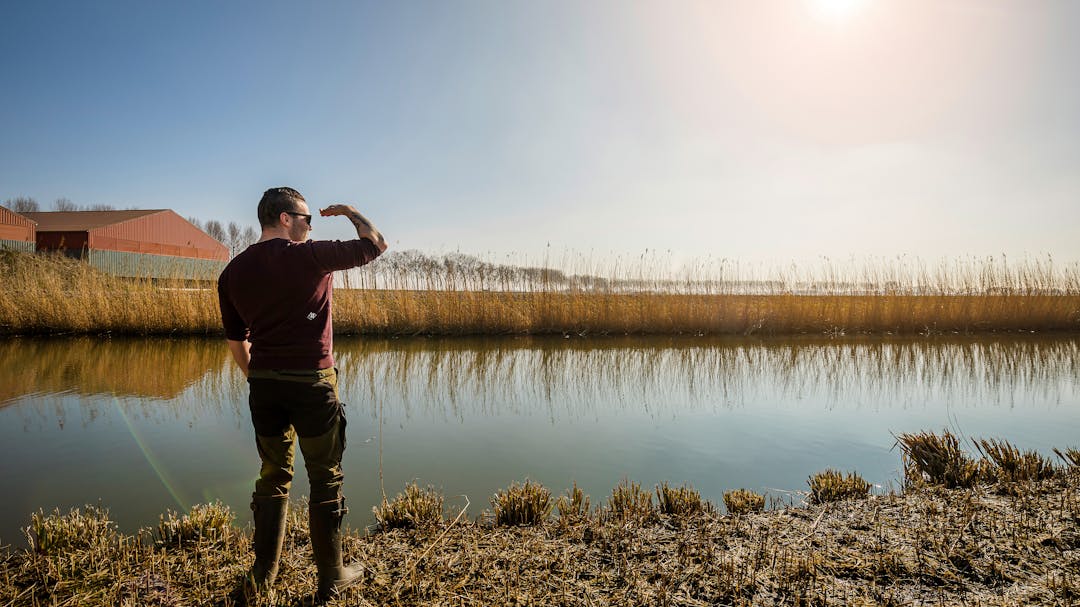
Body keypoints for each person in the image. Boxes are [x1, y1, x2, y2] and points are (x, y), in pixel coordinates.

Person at [217, 186, 387, 602]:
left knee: (273, 477)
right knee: (325, 478)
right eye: (307, 219)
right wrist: (349, 210)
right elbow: (376, 244)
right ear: (286, 218)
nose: (311, 227)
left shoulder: (232, 272)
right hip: (312, 384)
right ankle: (332, 577)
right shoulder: (310, 256)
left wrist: (257, 376)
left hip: (265, 385)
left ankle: (262, 576)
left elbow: (237, 340)